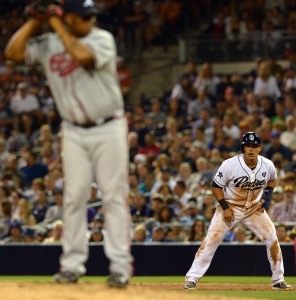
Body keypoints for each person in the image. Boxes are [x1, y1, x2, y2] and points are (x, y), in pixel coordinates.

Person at [5, 0, 133, 288]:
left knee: (113, 196)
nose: (90, 21)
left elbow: (83, 57)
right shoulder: (49, 41)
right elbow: (12, 53)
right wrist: (35, 21)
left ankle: (121, 268)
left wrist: (55, 24)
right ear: (70, 17)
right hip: (73, 131)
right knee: (73, 197)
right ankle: (72, 266)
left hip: (108, 126)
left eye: (91, 16)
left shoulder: (101, 38)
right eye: (84, 17)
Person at [184, 132, 292, 291]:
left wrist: (267, 197)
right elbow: (216, 186)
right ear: (243, 148)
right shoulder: (230, 164)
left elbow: (272, 179)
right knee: (212, 240)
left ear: (260, 148)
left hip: (254, 208)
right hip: (230, 206)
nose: (251, 149)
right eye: (248, 146)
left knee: (271, 237)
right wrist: (225, 207)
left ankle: (278, 280)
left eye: (254, 146)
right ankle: (191, 279)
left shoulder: (267, 164)